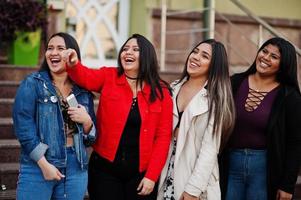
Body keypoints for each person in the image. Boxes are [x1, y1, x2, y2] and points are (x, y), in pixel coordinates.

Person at [62, 33, 173, 200]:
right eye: (125, 49)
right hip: (104, 170)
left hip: (141, 173)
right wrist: (74, 64)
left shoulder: (161, 91)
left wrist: (152, 176)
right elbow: (85, 77)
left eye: (135, 49)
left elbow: (163, 137)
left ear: (147, 56)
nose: (128, 52)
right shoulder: (109, 76)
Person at [13, 32, 96, 200]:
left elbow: (90, 138)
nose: (53, 52)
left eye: (60, 48)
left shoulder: (82, 91)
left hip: (76, 166)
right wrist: (43, 164)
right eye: (50, 48)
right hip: (39, 165)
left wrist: (87, 122)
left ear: (72, 54)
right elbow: (24, 128)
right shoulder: (33, 83)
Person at [219, 37, 301, 200]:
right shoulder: (235, 82)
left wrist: (287, 185)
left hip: (265, 168)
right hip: (229, 163)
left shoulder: (290, 96)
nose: (265, 57)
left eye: (274, 56)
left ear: (283, 64)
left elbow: (295, 143)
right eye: (264, 51)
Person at [157, 39, 235, 200]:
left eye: (204, 56)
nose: (195, 57)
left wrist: (193, 189)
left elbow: (210, 150)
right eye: (195, 51)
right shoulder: (173, 88)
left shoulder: (216, 99)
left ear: (214, 66)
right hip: (166, 172)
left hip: (195, 179)